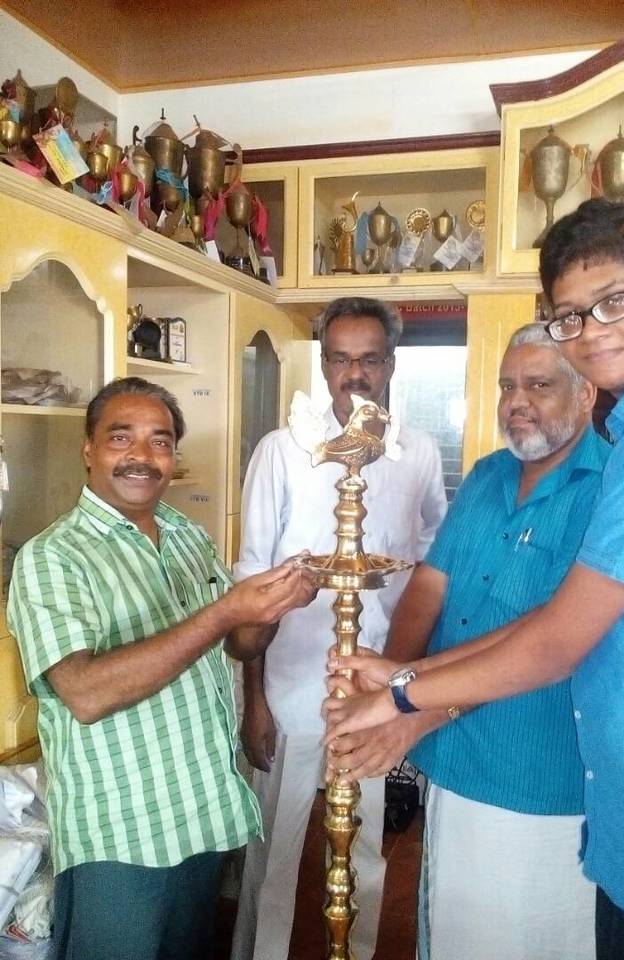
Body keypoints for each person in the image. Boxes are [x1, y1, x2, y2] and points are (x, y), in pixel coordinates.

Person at [325, 198, 624, 960]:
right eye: (571, 315)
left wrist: (406, 698)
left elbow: (555, 640)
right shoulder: (609, 439)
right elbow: (520, 614)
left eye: (614, 301)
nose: (592, 330)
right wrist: (406, 675)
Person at [7, 377, 316, 960]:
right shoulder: (52, 556)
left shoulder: (186, 536)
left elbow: (239, 644)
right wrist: (226, 610)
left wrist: (274, 605)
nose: (142, 456)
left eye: (160, 441)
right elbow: (85, 693)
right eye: (120, 437)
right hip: (122, 833)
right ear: (89, 449)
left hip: (200, 812)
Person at [328, 322, 606, 960]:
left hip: (535, 771)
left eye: (539, 385)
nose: (517, 401)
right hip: (452, 759)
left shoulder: (608, 491)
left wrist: (410, 704)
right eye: (507, 386)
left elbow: (543, 639)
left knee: (524, 937)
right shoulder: (486, 475)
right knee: (449, 924)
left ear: (586, 392)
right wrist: (393, 675)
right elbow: (430, 586)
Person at [232, 297, 447, 960]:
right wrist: (254, 698)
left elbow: (430, 566)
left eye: (370, 359)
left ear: (391, 364)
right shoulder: (284, 450)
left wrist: (410, 681)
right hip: (292, 684)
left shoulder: (416, 453)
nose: (355, 374)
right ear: (324, 365)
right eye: (341, 359)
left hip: (374, 691)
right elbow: (251, 583)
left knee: (369, 850)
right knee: (274, 850)